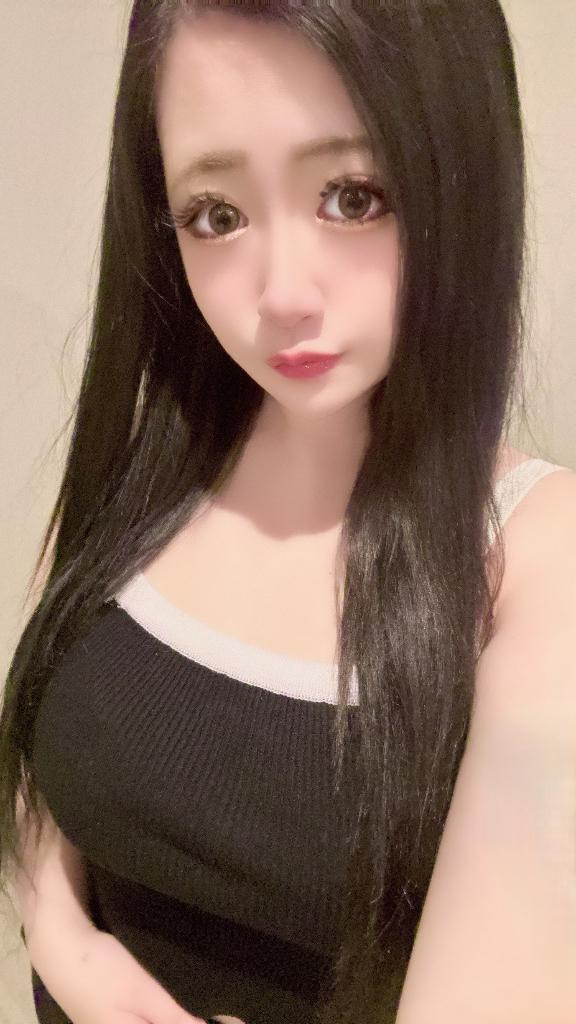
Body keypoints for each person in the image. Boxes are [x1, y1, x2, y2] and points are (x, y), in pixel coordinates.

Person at [1, 3, 574, 1024]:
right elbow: (42, 750)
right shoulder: (140, 474)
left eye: (353, 197)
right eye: (216, 214)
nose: (281, 295)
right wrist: (69, 949)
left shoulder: (539, 562)